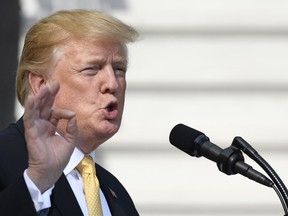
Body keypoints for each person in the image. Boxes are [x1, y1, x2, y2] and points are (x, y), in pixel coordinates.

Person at [0, 9, 139, 216]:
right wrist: (38, 182)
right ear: (41, 84)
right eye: (92, 69)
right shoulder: (5, 159)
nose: (112, 83)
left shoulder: (115, 192)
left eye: (119, 69)